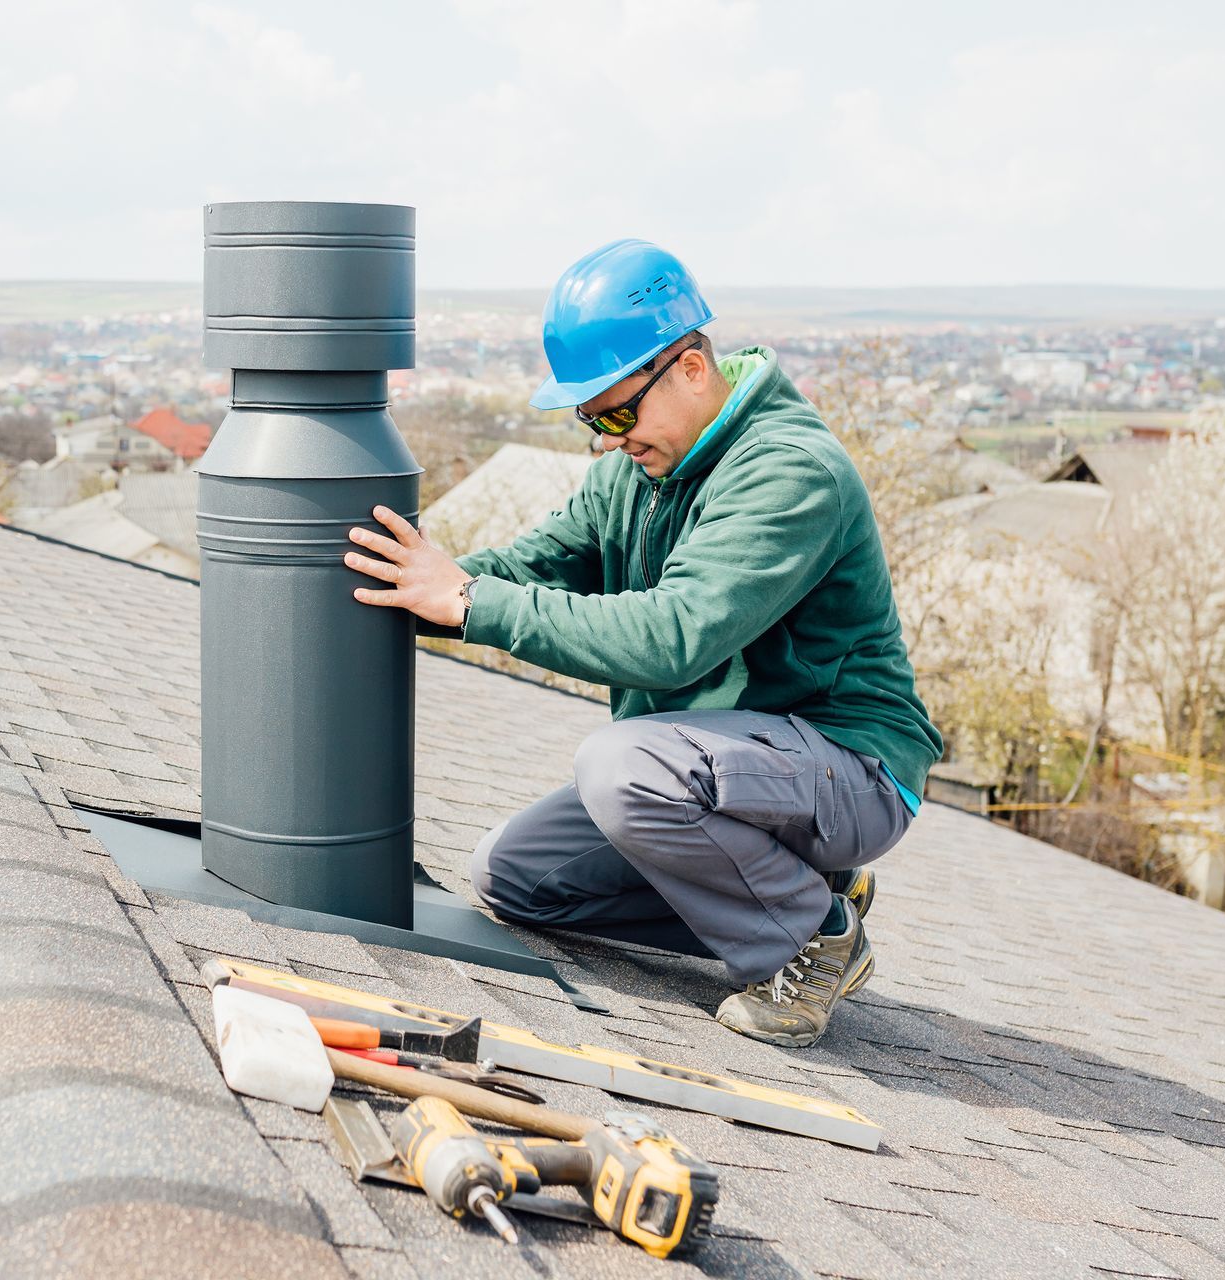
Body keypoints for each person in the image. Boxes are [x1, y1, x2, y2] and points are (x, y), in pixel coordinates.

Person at [345, 239, 942, 1047]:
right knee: (514, 878)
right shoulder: (634, 477)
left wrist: (469, 602)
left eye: (619, 412)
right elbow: (527, 568)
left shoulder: (791, 474)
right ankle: (802, 894)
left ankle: (811, 936)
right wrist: (399, 589)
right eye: (594, 420)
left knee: (621, 765)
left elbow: (672, 640)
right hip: (729, 772)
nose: (608, 438)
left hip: (847, 767)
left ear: (692, 368)